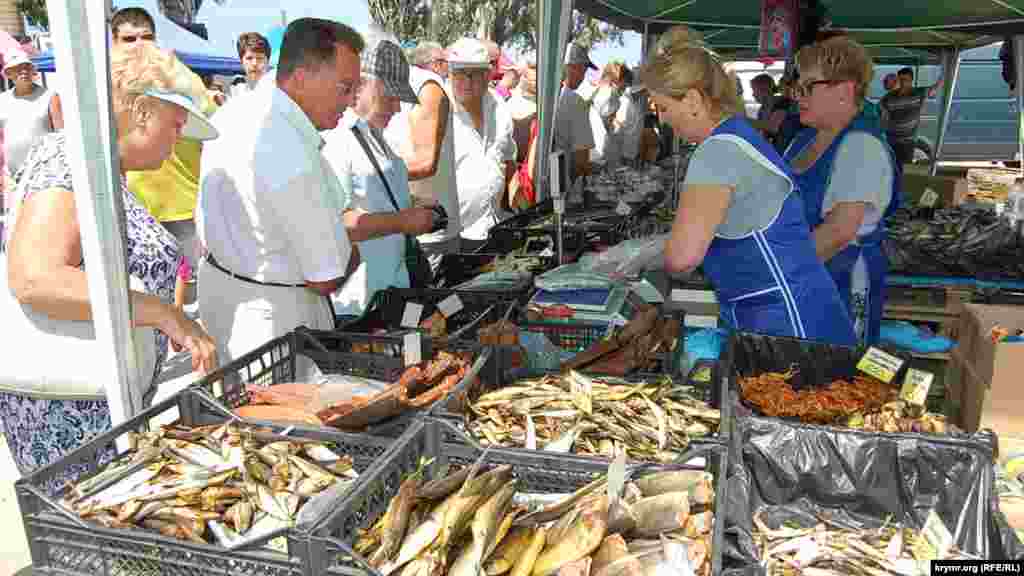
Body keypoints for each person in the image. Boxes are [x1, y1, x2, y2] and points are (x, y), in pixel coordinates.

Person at [1, 42, 218, 493]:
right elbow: (35, 277)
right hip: (72, 419)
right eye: (175, 126)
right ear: (142, 111)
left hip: (97, 407)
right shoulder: (70, 161)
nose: (178, 140)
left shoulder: (101, 169)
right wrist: (163, 313)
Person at [643, 26, 856, 345]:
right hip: (795, 313)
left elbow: (682, 258)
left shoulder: (717, 151)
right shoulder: (738, 132)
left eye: (663, 107)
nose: (662, 119)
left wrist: (635, 256)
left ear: (691, 100)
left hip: (789, 326)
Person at [196, 18, 363, 366]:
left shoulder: (235, 111)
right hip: (276, 329)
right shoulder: (288, 148)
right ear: (301, 77)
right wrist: (351, 255)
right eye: (345, 88)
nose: (350, 101)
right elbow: (326, 276)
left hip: (227, 301)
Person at [783, 36, 899, 346]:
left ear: (845, 90)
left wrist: (776, 274)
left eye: (809, 87)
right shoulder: (803, 140)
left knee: (836, 378)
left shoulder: (860, 147)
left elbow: (838, 232)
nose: (798, 96)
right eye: (797, 87)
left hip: (840, 282)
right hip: (804, 276)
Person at [118, 7, 218, 321]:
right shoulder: (83, 161)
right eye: (129, 39)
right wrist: (162, 315)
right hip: (138, 205)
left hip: (182, 205)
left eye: (146, 38)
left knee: (189, 286)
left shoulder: (178, 76)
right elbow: (36, 278)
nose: (139, 46)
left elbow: (210, 123)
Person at [325, 36, 437, 316]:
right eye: (390, 96)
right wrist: (403, 221)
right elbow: (338, 223)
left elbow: (381, 202)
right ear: (361, 85)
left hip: (396, 290)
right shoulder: (338, 141)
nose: (397, 108)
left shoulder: (379, 140)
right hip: (360, 304)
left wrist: (413, 207)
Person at [384, 41, 460, 270]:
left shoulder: (426, 86)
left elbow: (425, 163)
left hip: (429, 236)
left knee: (434, 305)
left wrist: (369, 176)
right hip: (397, 231)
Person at [446, 38, 517, 252]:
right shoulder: (440, 108)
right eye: (459, 72)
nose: (466, 81)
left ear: (488, 74)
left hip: (493, 228)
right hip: (452, 236)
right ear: (449, 73)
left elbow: (508, 159)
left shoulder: (499, 108)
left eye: (474, 73)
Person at [0, 49, 63, 179]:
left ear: (33, 71)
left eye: (27, 67)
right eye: (18, 68)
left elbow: (61, 136)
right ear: (9, 74)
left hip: (45, 173)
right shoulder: (2, 100)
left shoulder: (50, 96)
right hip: (13, 176)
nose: (23, 71)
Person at [879, 66, 943, 167]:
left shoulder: (918, 93)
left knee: (905, 167)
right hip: (891, 140)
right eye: (901, 80)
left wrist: (944, 74)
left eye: (906, 80)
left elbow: (935, 88)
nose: (903, 83)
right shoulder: (888, 98)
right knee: (890, 166)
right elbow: (881, 115)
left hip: (908, 141)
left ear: (911, 80)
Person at [557, 44, 597, 183]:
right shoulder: (576, 102)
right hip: (562, 181)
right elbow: (581, 160)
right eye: (584, 70)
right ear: (574, 67)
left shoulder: (546, 97)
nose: (583, 77)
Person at [589, 62, 626, 169]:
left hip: (602, 156)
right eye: (622, 88)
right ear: (614, 81)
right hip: (598, 158)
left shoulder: (603, 95)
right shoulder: (607, 95)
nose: (622, 92)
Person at [234, 32, 271, 97]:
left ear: (267, 61)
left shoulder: (279, 92)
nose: (255, 63)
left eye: (259, 58)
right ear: (242, 61)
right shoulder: (236, 93)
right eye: (249, 58)